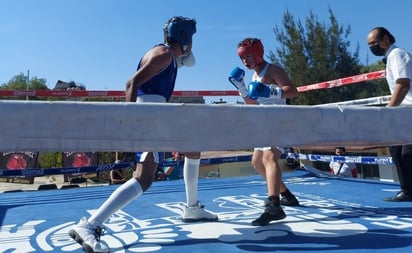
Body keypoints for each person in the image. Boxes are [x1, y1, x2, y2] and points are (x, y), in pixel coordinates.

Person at [69, 16, 217, 253]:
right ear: (184, 37)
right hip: (149, 116)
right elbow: (132, 83)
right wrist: (131, 122)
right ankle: (91, 224)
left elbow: (182, 65)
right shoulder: (163, 54)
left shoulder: (167, 54)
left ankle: (192, 207)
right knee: (144, 178)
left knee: (192, 148)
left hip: (156, 114)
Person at [229, 38, 300, 226]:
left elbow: (293, 91)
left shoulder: (274, 70)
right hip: (264, 123)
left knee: (269, 158)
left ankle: (274, 206)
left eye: (248, 56)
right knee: (257, 163)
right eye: (242, 58)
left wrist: (271, 91)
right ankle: (287, 196)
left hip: (280, 121)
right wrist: (242, 88)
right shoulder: (254, 76)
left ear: (258, 53)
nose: (245, 61)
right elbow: (253, 103)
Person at [367, 27, 412, 202]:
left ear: (386, 40)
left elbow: (402, 85)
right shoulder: (391, 58)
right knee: (396, 151)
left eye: (374, 44)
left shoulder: (398, 55)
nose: (372, 48)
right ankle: (407, 190)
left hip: (408, 111)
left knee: (408, 154)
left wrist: (387, 111)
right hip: (402, 113)